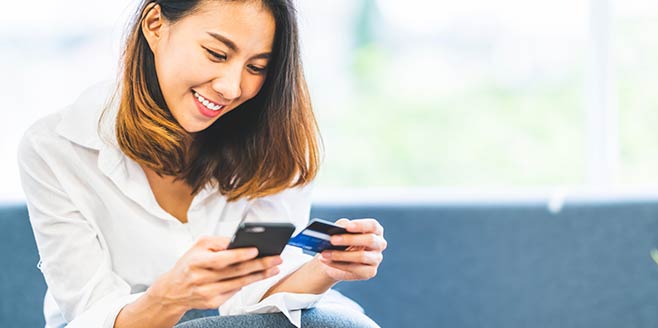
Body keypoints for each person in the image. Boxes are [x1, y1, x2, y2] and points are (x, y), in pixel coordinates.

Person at [17, 1, 387, 327]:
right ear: (155, 25)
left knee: (335, 321)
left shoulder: (275, 144)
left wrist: (323, 269)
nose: (231, 87)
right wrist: (171, 296)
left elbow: (255, 299)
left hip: (243, 321)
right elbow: (91, 314)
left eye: (257, 68)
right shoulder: (55, 148)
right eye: (216, 53)